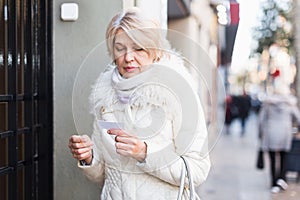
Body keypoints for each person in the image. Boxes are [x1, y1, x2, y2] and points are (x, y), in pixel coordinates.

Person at [68, 7, 210, 200]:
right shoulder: (105, 100)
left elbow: (198, 169)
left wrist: (145, 153)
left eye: (138, 48)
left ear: (154, 50)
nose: (128, 57)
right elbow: (103, 174)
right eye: (120, 48)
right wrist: (89, 157)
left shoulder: (179, 95)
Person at [258, 81, 300, 193]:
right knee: (284, 157)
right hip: (285, 133)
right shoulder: (290, 104)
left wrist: (261, 133)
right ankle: (281, 179)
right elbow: (298, 118)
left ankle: (273, 182)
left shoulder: (268, 103)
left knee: (272, 159)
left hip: (271, 132)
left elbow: (261, 120)